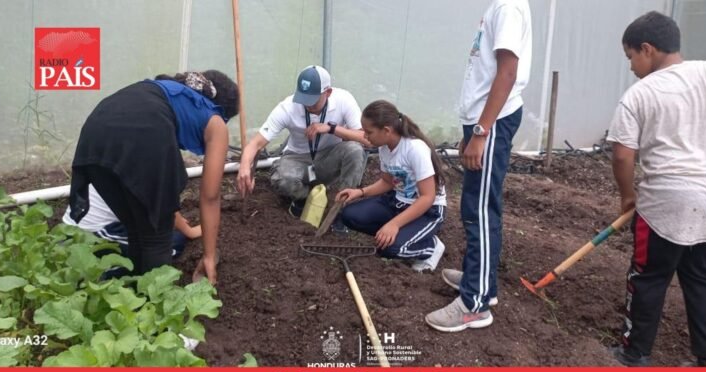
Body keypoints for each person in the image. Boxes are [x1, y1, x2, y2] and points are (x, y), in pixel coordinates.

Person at [606, 11, 706, 367]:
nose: (631, 68)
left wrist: (627, 195)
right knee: (703, 276)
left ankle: (633, 353)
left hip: (670, 202)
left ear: (647, 49)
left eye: (631, 58)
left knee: (649, 276)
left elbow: (622, 155)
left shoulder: (640, 94)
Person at [69, 70, 238, 284]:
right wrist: (209, 255)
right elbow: (211, 195)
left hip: (94, 135)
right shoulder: (214, 118)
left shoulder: (165, 92)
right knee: (157, 237)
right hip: (142, 133)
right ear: (222, 110)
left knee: (138, 226)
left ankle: (134, 293)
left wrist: (186, 228)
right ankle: (157, 306)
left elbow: (153, 190)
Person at [426, 0, 532, 332]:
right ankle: (480, 279)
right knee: (477, 206)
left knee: (480, 211)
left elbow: (507, 72)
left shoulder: (508, 8)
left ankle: (475, 303)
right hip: (486, 121)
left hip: (494, 121)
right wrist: (472, 129)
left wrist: (482, 131)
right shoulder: (500, 6)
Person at [235, 65, 368, 221]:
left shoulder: (343, 100)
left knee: (355, 151)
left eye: (313, 100)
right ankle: (306, 199)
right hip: (298, 158)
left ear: (328, 92)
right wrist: (244, 166)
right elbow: (256, 143)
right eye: (303, 98)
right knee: (282, 179)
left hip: (331, 155)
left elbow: (366, 138)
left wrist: (331, 128)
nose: (308, 105)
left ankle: (342, 208)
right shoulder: (287, 107)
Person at [336, 100, 447, 271]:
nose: (364, 136)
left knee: (390, 249)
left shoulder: (414, 149)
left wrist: (394, 224)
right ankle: (404, 235)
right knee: (350, 215)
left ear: (386, 130)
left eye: (368, 132)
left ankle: (431, 247)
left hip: (428, 211)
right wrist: (360, 192)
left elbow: (427, 197)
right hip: (397, 202)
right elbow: (388, 182)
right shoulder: (384, 147)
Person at [62, 184, 201, 259]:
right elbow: (162, 203)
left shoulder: (122, 153)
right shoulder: (147, 160)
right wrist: (190, 231)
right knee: (169, 245)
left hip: (73, 226)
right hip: (91, 234)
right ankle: (108, 273)